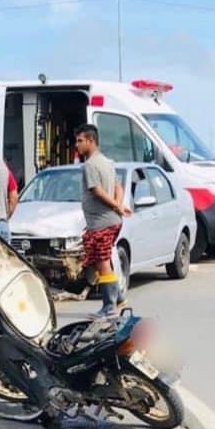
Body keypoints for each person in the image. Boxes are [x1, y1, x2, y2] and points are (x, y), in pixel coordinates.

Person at [73, 124, 131, 318]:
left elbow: (96, 190)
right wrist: (119, 205)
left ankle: (109, 307)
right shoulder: (107, 162)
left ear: (91, 141)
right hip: (110, 220)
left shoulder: (90, 164)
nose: (77, 145)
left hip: (102, 221)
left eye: (80, 141)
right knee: (103, 260)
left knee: (102, 261)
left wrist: (116, 206)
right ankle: (119, 298)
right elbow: (119, 187)